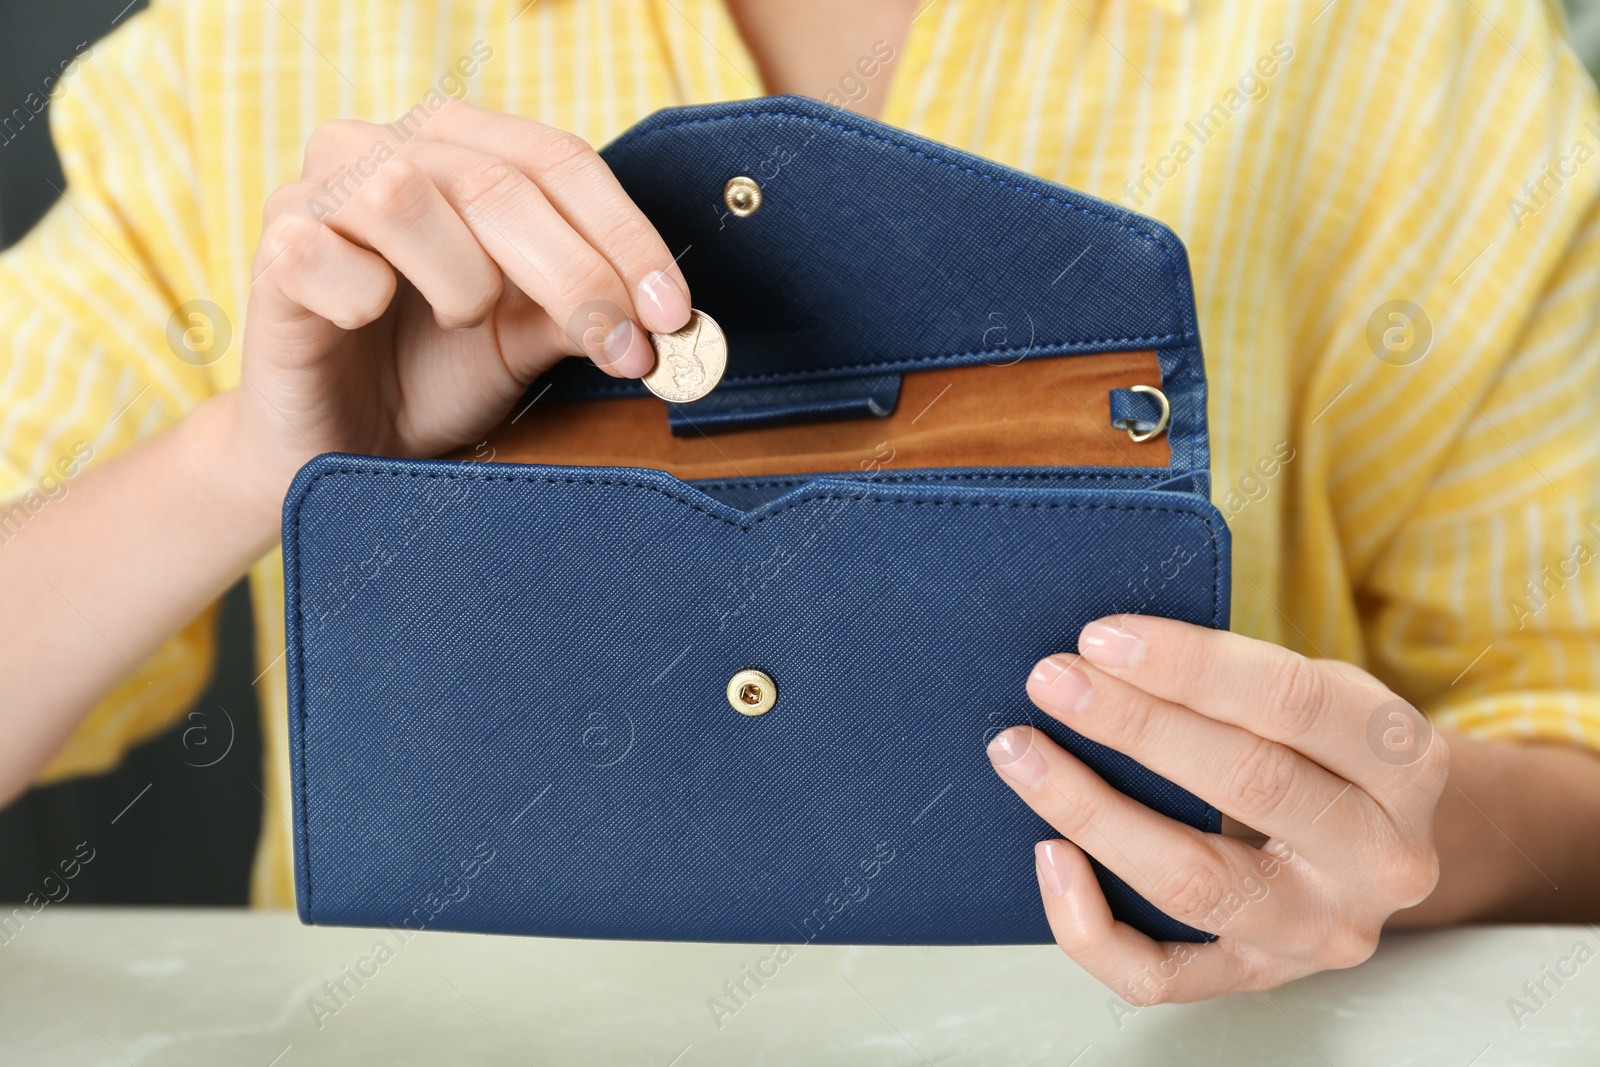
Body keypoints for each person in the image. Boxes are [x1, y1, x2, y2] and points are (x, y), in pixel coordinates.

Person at [2, 0, 1598, 1006]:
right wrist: (253, 463)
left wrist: (1390, 834)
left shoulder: (1411, 56)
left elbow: (1576, 723)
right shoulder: (244, 50)